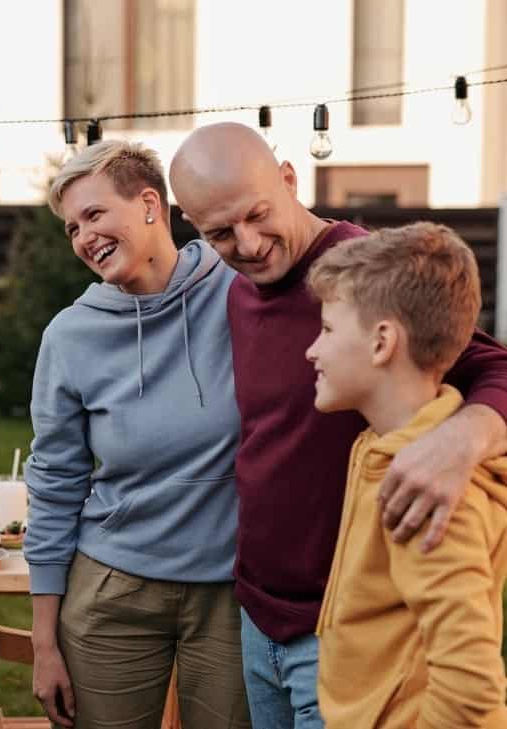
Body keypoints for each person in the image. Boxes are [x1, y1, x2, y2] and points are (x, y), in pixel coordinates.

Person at [169, 122, 507, 729]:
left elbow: (493, 365)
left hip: (344, 628)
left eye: (257, 215)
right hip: (258, 614)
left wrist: (463, 439)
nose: (246, 245)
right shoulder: (240, 292)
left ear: (290, 180)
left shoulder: (361, 277)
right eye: (219, 232)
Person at [25, 139, 250, 729]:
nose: (82, 238)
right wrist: (44, 644)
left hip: (230, 591)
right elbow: (54, 484)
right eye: (72, 228)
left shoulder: (239, 289)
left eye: (94, 215)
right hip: (111, 591)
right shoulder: (70, 337)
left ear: (151, 203)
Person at [304, 222, 507, 729]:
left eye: (327, 329)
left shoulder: (426, 489)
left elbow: (472, 692)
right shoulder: (379, 446)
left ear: (381, 343)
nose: (312, 350)